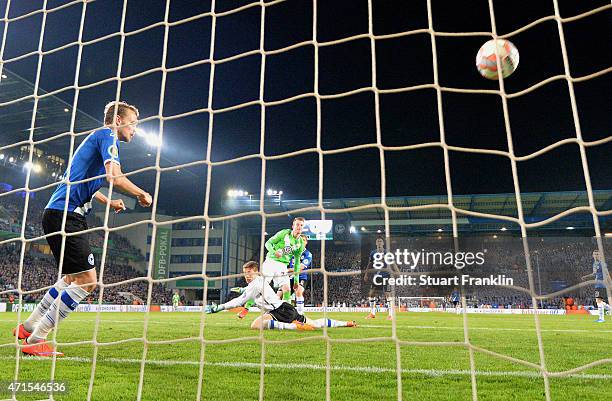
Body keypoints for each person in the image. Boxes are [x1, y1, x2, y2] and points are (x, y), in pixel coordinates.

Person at [14, 101, 153, 357]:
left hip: (58, 213)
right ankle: (36, 340)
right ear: (118, 120)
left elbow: (87, 184)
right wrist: (142, 194)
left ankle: (27, 327)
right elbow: (115, 177)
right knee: (88, 282)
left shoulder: (96, 141)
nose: (135, 129)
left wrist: (108, 201)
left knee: (69, 279)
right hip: (67, 215)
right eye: (133, 122)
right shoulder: (107, 135)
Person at [207, 261, 356, 331]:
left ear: (256, 272)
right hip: (286, 308)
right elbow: (251, 292)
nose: (246, 275)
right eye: (245, 273)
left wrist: (219, 307)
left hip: (279, 312)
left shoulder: (256, 283)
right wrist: (242, 289)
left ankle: (293, 327)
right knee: (316, 324)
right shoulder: (259, 282)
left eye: (249, 273)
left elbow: (241, 300)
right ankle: (346, 323)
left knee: (256, 325)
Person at [262, 217, 306, 304]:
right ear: (293, 226)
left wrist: (296, 281)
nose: (299, 227)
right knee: (262, 285)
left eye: (301, 225)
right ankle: (247, 307)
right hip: (271, 261)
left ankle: (287, 315)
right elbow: (268, 243)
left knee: (287, 290)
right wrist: (274, 252)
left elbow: (297, 263)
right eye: (297, 224)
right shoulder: (284, 233)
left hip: (282, 266)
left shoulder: (300, 243)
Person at [582, 250, 611, 323]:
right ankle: (610, 309)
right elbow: (594, 273)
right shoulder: (595, 264)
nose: (596, 255)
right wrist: (585, 277)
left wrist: (610, 283)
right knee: (599, 301)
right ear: (592, 255)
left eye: (597, 254)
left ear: (600, 255)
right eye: (595, 254)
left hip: (602, 284)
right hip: (597, 284)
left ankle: (601, 318)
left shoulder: (602, 263)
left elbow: (607, 274)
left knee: (599, 301)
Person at [289, 234, 312, 315]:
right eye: (300, 240)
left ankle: (300, 314)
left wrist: (287, 270)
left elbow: (301, 267)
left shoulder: (307, 254)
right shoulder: (292, 250)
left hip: (301, 277)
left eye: (303, 240)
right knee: (279, 295)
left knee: (298, 291)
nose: (301, 242)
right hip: (290, 277)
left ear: (306, 242)